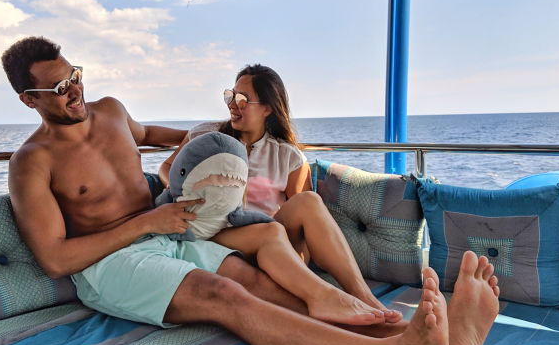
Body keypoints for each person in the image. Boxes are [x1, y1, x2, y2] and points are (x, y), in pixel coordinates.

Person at [3, 36, 500, 345]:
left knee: (267, 285)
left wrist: (206, 142)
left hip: (172, 236)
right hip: (112, 263)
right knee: (221, 292)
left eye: (75, 76)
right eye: (58, 89)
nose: (74, 91)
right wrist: (147, 222)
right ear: (29, 99)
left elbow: (154, 135)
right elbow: (55, 260)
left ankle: (441, 343)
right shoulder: (32, 162)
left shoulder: (110, 110)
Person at [160, 64, 400, 322]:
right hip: (214, 234)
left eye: (242, 99)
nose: (232, 104)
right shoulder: (205, 135)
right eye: (231, 95)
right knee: (268, 231)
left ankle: (363, 297)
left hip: (268, 242)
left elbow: (302, 228)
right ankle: (324, 299)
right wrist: (176, 191)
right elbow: (167, 168)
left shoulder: (287, 156)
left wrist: (297, 261)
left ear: (268, 108)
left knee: (308, 201)